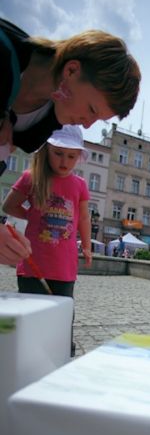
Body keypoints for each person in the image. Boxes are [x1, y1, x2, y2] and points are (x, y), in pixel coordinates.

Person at [0, 17, 141, 262]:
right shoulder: (3, 55)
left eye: (99, 120)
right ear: (71, 70)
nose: (87, 124)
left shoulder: (43, 124)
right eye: (91, 109)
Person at [2, 125, 93, 354]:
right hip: (33, 264)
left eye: (71, 156)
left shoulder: (79, 184)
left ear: (78, 157)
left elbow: (82, 217)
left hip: (64, 267)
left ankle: (60, 354)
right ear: (46, 150)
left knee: (62, 317)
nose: (64, 161)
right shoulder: (31, 177)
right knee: (32, 318)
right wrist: (32, 214)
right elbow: (8, 205)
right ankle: (28, 356)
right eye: (58, 153)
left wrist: (88, 246)